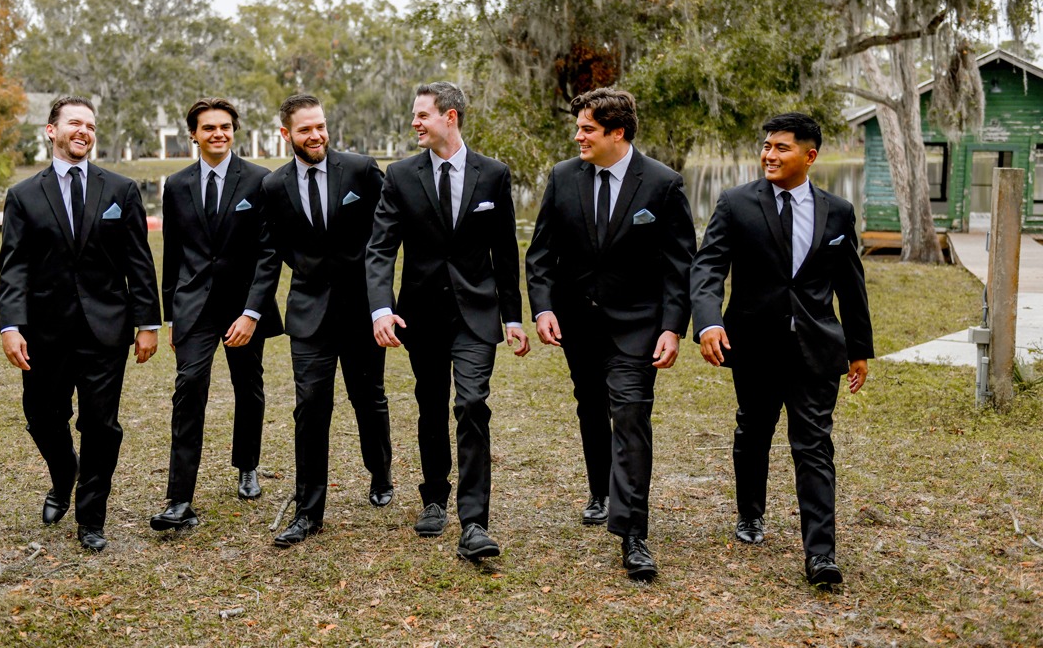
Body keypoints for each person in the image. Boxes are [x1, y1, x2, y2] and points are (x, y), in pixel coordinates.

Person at [690, 112, 873, 587]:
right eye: (767, 146)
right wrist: (708, 322)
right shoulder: (735, 203)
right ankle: (750, 514)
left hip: (816, 346)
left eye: (782, 148)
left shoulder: (838, 211)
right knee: (753, 431)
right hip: (752, 343)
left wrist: (859, 348)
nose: (769, 155)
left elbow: (851, 285)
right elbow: (708, 268)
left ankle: (821, 554)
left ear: (810, 156)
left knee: (813, 443)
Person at [525, 88, 696, 581]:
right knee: (590, 407)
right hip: (577, 322)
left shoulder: (662, 184)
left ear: (617, 133)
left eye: (587, 129)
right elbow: (540, 255)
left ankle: (633, 534)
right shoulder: (562, 178)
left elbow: (679, 265)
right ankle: (600, 492)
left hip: (638, 326)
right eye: (579, 128)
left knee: (631, 415)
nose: (578, 136)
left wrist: (671, 328)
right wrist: (543, 309)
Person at [366, 81, 530, 561]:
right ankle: (434, 496)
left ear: (450, 117)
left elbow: (505, 251)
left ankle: (475, 522)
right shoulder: (399, 176)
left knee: (472, 403)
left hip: (477, 314)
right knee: (431, 403)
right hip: (420, 312)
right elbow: (380, 249)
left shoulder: (494, 174)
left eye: (422, 115)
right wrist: (381, 308)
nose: (414, 123)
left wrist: (514, 318)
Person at [0, 95, 160, 552]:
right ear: (52, 131)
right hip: (43, 333)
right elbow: (14, 267)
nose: (83, 131)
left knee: (100, 425)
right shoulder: (24, 195)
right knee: (42, 419)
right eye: (74, 123)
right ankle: (63, 471)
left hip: (106, 330)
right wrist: (11, 326)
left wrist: (148, 322)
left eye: (89, 125)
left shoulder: (120, 191)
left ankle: (91, 518)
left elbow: (139, 263)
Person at [247, 94, 394, 547]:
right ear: (285, 134)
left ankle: (381, 472)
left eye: (321, 126)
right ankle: (309, 511)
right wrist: (254, 308)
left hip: (361, 308)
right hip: (308, 314)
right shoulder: (273, 187)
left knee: (367, 398)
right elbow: (271, 254)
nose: (316, 136)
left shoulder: (361, 169)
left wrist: (381, 303)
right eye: (305, 129)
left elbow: (384, 237)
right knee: (311, 407)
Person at [149, 97, 283, 532]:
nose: (218, 134)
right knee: (189, 387)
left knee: (249, 387)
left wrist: (251, 313)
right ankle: (178, 496)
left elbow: (269, 255)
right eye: (208, 128)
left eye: (225, 127)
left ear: (234, 130)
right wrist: (172, 316)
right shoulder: (176, 184)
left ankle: (247, 465)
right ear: (194, 134)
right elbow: (173, 255)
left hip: (244, 308)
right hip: (193, 307)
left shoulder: (260, 181)